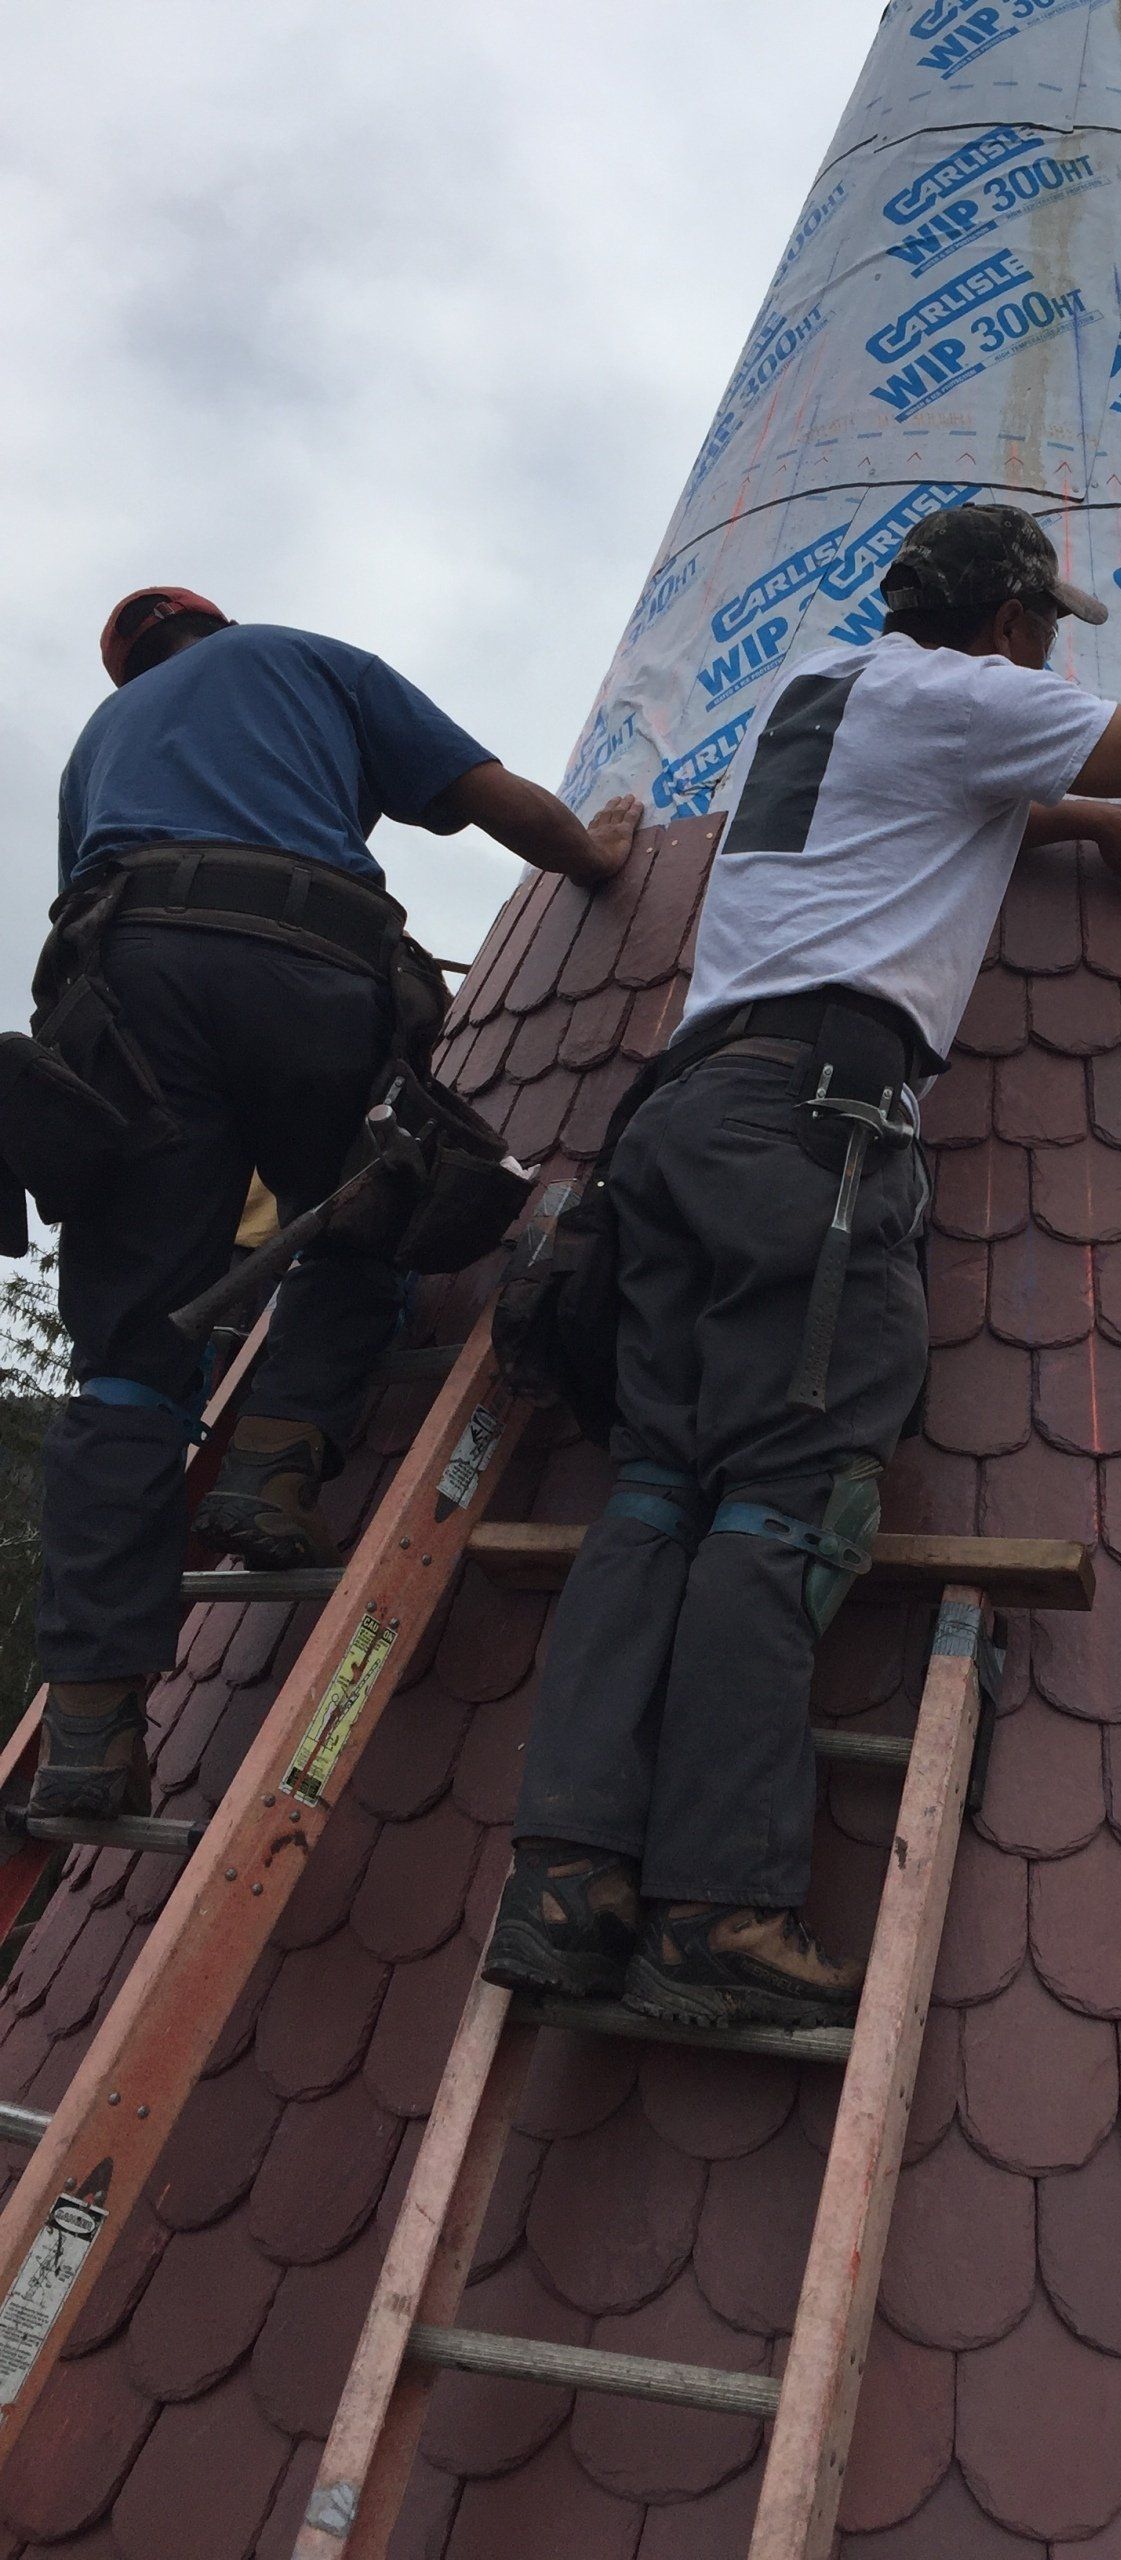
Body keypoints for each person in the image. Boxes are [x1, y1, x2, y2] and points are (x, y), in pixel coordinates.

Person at [482, 502, 1121, 2031]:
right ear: (1014, 624)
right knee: (786, 1500)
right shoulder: (974, 695)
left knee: (656, 1490)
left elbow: (904, 818)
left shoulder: (819, 691)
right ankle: (718, 1911)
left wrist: (1074, 815)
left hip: (691, 1114)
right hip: (819, 1130)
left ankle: (567, 1880)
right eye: (1044, 629)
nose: (1046, 654)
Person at [30, 586, 631, 1823]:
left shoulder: (101, 747)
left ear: (129, 670)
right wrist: (600, 852)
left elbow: (85, 913)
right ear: (217, 625)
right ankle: (275, 1467)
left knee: (130, 1365)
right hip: (307, 965)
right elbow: (491, 800)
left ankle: (89, 1730)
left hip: (128, 990)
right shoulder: (308, 659)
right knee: (373, 1209)